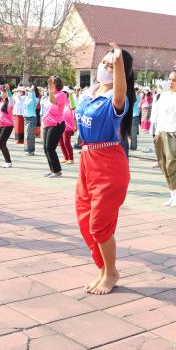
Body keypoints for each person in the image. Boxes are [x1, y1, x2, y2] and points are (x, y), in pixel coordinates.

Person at [75, 42, 133, 295]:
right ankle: (102, 269)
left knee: (99, 224)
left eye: (113, 65)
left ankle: (111, 272)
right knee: (85, 219)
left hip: (109, 163)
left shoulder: (117, 99)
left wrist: (119, 61)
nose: (106, 67)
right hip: (87, 161)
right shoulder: (91, 92)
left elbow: (120, 95)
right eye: (105, 62)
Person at [153, 70, 176, 206]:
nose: (171, 82)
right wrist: (157, 133)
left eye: (174, 80)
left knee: (172, 165)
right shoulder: (164, 95)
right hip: (162, 132)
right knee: (164, 165)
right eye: (169, 79)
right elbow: (160, 115)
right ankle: (172, 194)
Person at [42, 76, 67, 178]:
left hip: (57, 124)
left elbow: (53, 102)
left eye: (53, 84)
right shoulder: (51, 94)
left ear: (57, 84)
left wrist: (50, 89)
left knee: (50, 148)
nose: (51, 86)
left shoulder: (61, 94)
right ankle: (53, 170)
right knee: (45, 148)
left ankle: (57, 171)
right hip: (48, 124)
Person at [0, 84, 14, 168]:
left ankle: (8, 162)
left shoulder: (10, 102)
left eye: (4, 92)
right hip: (0, 125)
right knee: (2, 144)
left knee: (0, 143)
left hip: (8, 125)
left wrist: (8, 91)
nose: (2, 94)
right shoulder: (0, 101)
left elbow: (11, 100)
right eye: (2, 92)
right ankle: (7, 161)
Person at [60, 88, 77, 163]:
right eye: (62, 92)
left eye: (65, 92)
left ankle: (71, 158)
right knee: (61, 142)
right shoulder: (60, 102)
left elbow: (73, 107)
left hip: (68, 126)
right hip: (60, 125)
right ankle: (66, 157)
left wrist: (70, 95)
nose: (63, 94)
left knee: (66, 142)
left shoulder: (70, 101)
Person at [23, 85, 40, 155]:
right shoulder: (27, 98)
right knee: (26, 135)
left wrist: (32, 90)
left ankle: (31, 150)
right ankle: (27, 149)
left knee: (30, 135)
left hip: (32, 117)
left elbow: (33, 98)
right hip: (26, 117)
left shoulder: (36, 99)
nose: (28, 92)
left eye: (30, 91)